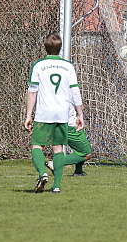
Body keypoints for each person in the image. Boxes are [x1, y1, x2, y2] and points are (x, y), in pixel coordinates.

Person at [24, 33, 85, 194]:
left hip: (44, 113)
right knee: (58, 149)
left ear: (45, 47)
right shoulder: (68, 66)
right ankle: (56, 186)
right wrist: (80, 114)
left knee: (37, 146)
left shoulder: (38, 66)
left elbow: (32, 91)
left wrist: (28, 115)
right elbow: (75, 90)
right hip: (62, 113)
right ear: (60, 48)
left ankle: (43, 174)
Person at [45, 98, 92, 177]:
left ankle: (78, 172)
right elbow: (80, 106)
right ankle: (55, 163)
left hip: (60, 126)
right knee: (86, 154)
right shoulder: (70, 89)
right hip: (70, 127)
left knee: (82, 146)